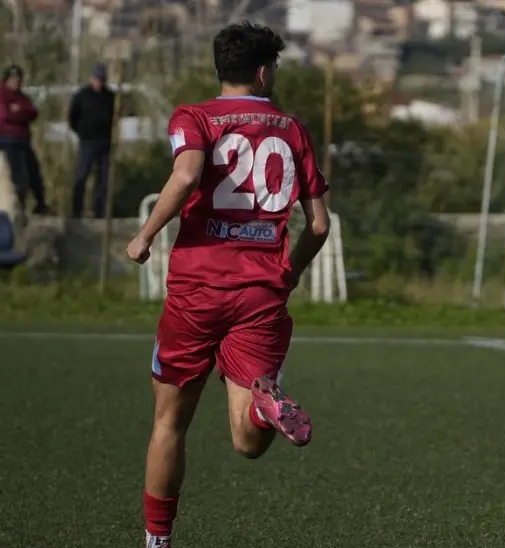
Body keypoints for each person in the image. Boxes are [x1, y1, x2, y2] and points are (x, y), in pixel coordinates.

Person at [125, 22, 331, 548]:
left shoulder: (194, 117)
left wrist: (146, 234)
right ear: (264, 72)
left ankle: (157, 542)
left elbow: (188, 174)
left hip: (198, 290)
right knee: (246, 441)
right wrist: (289, 274)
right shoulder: (292, 129)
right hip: (262, 293)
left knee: (169, 422)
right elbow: (321, 225)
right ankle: (265, 406)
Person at [68, 62, 117, 218]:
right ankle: (77, 211)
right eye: (97, 78)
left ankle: (99, 212)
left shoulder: (110, 96)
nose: (99, 82)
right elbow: (72, 117)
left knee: (102, 180)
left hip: (105, 142)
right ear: (91, 78)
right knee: (81, 176)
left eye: (102, 79)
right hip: (87, 142)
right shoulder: (82, 95)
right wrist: (81, 132)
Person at [0, 64, 50, 215]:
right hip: (7, 138)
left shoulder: (21, 97)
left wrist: (19, 112)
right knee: (17, 174)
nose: (16, 82)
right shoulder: (2, 95)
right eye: (13, 79)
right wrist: (20, 113)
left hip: (23, 138)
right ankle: (19, 206)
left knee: (33, 170)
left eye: (18, 79)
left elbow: (33, 112)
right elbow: (5, 115)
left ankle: (40, 203)